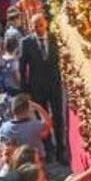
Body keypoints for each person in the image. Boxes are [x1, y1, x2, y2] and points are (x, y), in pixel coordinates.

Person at [19, 15, 64, 163]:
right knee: (42, 120)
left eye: (40, 25)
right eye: (34, 26)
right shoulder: (26, 43)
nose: (38, 29)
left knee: (58, 117)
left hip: (54, 85)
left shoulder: (54, 38)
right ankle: (49, 148)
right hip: (37, 87)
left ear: (46, 24)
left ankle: (60, 151)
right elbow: (22, 67)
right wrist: (25, 90)